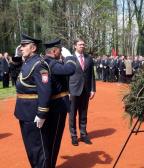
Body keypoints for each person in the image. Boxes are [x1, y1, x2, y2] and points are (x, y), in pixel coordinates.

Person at [14, 33, 52, 167]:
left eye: (24, 46)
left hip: (33, 113)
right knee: (30, 149)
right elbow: (15, 75)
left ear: (33, 48)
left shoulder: (39, 65)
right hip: (24, 112)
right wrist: (17, 56)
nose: (21, 48)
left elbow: (45, 91)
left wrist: (42, 114)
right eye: (21, 45)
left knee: (38, 150)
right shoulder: (27, 62)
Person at [44, 39, 76, 167]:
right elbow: (70, 69)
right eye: (60, 51)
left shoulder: (46, 61)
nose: (60, 53)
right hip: (57, 106)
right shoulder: (51, 63)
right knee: (54, 139)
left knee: (49, 138)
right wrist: (70, 57)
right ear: (54, 51)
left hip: (50, 105)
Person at [67, 38, 96, 146]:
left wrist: (93, 89)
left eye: (83, 44)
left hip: (86, 90)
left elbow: (92, 75)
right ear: (75, 46)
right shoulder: (70, 59)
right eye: (80, 44)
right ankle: (74, 136)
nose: (82, 46)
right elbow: (66, 76)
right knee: (72, 114)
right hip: (73, 90)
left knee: (83, 114)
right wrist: (67, 91)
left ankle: (83, 134)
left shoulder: (89, 58)